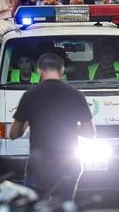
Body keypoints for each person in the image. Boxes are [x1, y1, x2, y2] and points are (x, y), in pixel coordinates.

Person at [9, 53, 95, 200]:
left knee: (36, 211)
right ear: (62, 70)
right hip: (68, 163)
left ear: (39, 70)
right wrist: (71, 126)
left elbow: (14, 133)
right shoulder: (75, 95)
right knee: (62, 209)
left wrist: (31, 120)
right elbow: (90, 133)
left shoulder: (30, 95)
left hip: (39, 165)